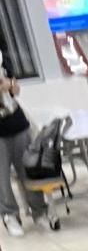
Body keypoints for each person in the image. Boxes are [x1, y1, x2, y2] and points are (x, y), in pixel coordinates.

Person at [0, 63, 43, 238]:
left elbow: (15, 90)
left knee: (28, 171)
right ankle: (10, 216)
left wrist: (10, 84)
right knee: (2, 178)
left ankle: (39, 211)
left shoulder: (3, 61)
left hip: (17, 123)